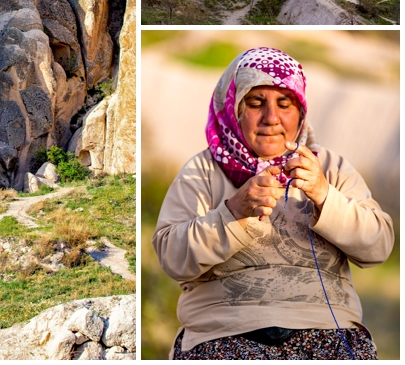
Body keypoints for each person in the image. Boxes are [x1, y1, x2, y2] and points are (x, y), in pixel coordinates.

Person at [153, 47, 393, 360]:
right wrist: (234, 210)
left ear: (301, 112)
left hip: (327, 333)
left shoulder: (330, 168)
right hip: (224, 335)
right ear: (234, 108)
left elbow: (378, 247)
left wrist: (324, 194)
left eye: (285, 104)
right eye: (255, 103)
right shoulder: (202, 171)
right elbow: (172, 257)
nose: (272, 118)